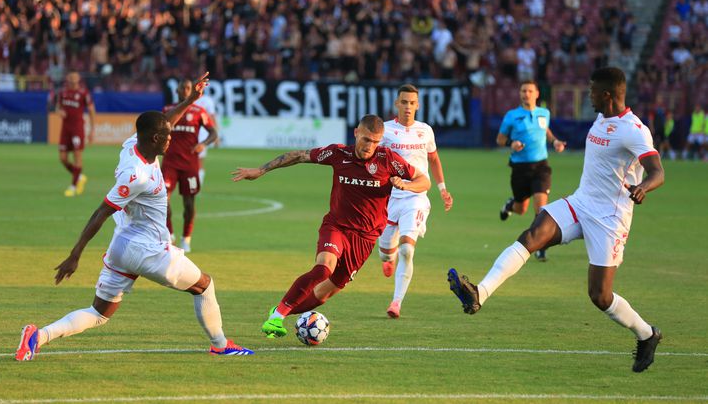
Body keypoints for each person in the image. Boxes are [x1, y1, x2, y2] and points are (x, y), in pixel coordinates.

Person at [16, 73, 252, 361]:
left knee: (99, 314)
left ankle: (37, 336)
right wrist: (75, 254)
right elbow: (102, 211)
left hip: (122, 246)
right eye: (167, 136)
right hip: (148, 250)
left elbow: (167, 120)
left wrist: (190, 101)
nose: (171, 139)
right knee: (205, 285)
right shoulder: (137, 176)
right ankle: (220, 344)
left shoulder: (132, 144)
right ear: (155, 139)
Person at [448, 67, 665, 373]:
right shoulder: (602, 118)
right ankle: (480, 294)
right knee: (532, 235)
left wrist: (644, 186)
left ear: (606, 94)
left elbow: (657, 171)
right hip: (580, 202)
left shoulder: (634, 129)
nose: (587, 96)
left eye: (591, 91)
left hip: (609, 218)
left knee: (599, 296)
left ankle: (647, 334)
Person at [231, 115, 431, 337]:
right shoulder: (339, 153)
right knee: (324, 267)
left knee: (326, 293)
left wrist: (406, 184)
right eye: (366, 140)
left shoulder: (388, 160)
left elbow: (424, 180)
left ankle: (279, 311)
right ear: (356, 133)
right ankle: (277, 317)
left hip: (365, 239)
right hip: (337, 227)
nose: (370, 146)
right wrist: (261, 170)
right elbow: (299, 155)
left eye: (376, 142)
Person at [377, 84, 454, 318]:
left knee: (408, 250)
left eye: (412, 103)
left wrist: (442, 189)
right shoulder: (386, 131)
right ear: (396, 104)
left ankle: (396, 302)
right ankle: (388, 258)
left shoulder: (425, 131)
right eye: (404, 102)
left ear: (418, 105)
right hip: (389, 198)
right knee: (385, 252)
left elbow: (434, 160)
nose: (408, 107)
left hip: (416, 196)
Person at [497, 80, 565, 262]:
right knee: (521, 209)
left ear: (536, 94)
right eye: (523, 91)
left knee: (541, 207)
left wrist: (555, 142)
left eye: (529, 91)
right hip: (520, 168)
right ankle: (510, 205)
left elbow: (546, 131)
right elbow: (500, 138)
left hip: (541, 167)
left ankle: (540, 246)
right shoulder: (512, 116)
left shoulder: (544, 113)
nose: (526, 94)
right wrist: (512, 143)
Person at [162, 80, 218, 252]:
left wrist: (204, 144)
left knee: (189, 204)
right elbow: (159, 129)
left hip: (189, 164)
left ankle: (186, 238)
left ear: (192, 90)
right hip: (170, 162)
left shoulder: (199, 111)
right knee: (163, 199)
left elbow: (213, 132)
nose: (185, 90)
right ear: (177, 90)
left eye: (188, 88)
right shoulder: (167, 110)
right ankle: (169, 234)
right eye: (183, 88)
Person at [55, 72, 96, 197]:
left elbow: (91, 110)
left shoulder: (83, 93)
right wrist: (59, 112)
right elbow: (57, 107)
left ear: (79, 78)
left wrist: (92, 130)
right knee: (63, 158)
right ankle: (79, 176)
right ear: (67, 78)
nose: (73, 79)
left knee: (77, 155)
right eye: (70, 76)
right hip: (65, 128)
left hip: (77, 128)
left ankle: (73, 186)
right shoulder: (62, 93)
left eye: (75, 76)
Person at [194, 92, 219, 186]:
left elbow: (212, 117)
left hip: (203, 134)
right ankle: (192, 185)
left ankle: (197, 186)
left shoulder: (207, 100)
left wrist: (216, 135)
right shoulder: (187, 99)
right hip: (188, 133)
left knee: (199, 161)